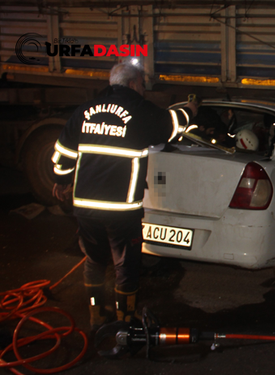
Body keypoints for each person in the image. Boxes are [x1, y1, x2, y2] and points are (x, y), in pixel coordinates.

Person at [51, 62, 197, 330]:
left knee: (94, 261)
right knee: (125, 265)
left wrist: (61, 180)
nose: (143, 88)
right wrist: (189, 111)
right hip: (121, 208)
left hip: (85, 206)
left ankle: (96, 317)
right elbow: (172, 127)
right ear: (132, 84)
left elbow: (63, 153)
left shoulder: (85, 111)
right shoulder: (140, 111)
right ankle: (125, 322)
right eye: (142, 83)